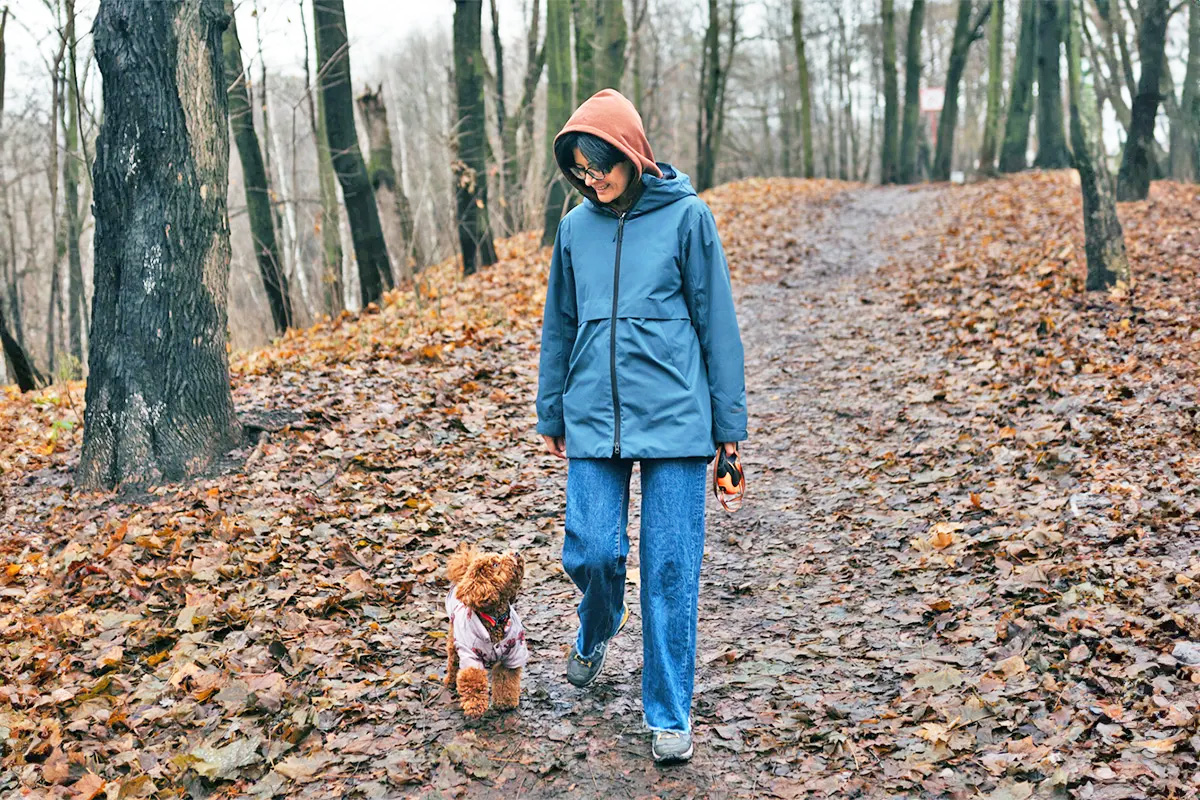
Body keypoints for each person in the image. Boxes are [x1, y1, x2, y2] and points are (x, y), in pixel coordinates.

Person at [535, 88, 747, 764]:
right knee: (594, 550)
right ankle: (598, 622)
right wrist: (552, 409)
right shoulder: (574, 229)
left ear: (630, 153)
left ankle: (669, 713)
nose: (592, 182)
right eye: (580, 172)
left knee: (670, 569)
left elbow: (718, 325)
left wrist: (729, 428)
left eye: (601, 167)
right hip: (594, 413)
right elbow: (559, 324)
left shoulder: (688, 218)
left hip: (679, 421)